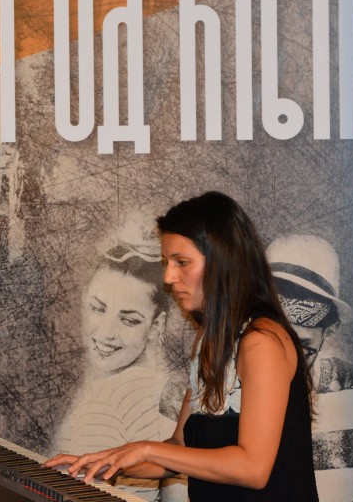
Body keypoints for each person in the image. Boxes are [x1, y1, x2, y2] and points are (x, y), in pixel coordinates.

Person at [46, 191, 318, 502]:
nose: (169, 276)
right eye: (167, 262)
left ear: (223, 261)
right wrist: (99, 464)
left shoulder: (263, 341)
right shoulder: (207, 339)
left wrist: (147, 448)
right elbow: (180, 448)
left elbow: (253, 469)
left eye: (182, 262)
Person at [53, 213, 175, 502]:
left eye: (129, 320)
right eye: (98, 308)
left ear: (156, 326)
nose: (106, 333)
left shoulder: (108, 403)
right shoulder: (161, 385)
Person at [267, 234, 353, 502]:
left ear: (330, 331)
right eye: (273, 340)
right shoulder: (217, 387)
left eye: (302, 346)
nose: (284, 360)